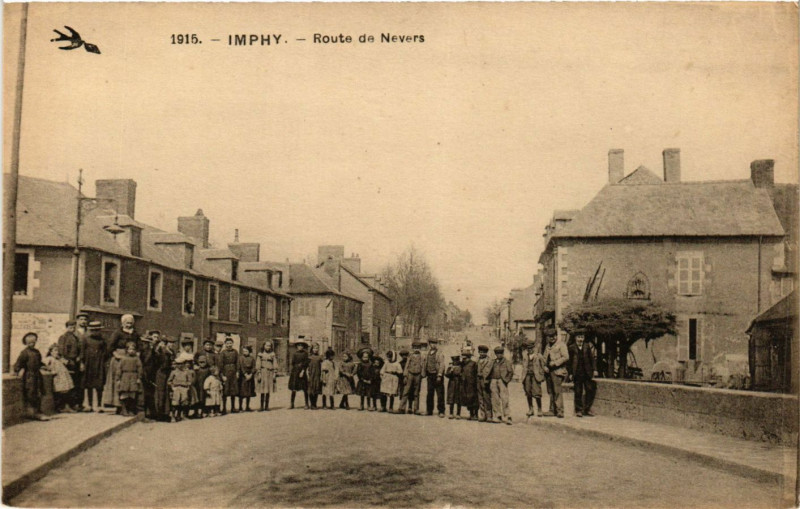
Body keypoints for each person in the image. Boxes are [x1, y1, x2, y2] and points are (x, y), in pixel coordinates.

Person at [14, 333, 48, 421]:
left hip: (37, 375)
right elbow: (19, 363)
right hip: (29, 376)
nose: (32, 344)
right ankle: (32, 413)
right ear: (26, 343)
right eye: (29, 343)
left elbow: (39, 362)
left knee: (39, 393)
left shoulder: (37, 352)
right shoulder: (25, 352)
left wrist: (44, 366)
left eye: (33, 342)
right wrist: (16, 370)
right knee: (31, 393)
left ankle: (38, 412)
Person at [57, 319, 83, 411]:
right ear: (67, 327)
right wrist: (66, 361)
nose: (72, 328)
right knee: (67, 385)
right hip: (68, 363)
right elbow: (61, 351)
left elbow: (79, 350)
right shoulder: (63, 337)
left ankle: (73, 404)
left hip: (74, 363)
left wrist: (79, 358)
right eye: (70, 327)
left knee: (74, 385)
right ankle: (64, 405)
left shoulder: (75, 337)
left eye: (74, 327)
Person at [81, 321, 107, 412]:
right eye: (93, 330)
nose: (95, 332)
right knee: (89, 385)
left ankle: (99, 405)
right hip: (89, 363)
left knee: (99, 385)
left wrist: (103, 359)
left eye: (97, 330)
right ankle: (90, 405)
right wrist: (82, 363)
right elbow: (82, 351)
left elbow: (105, 351)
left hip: (99, 363)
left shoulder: (102, 340)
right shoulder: (85, 339)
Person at [571, 333, 598, 417]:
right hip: (577, 373)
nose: (580, 339)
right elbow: (569, 362)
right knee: (578, 391)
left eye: (582, 337)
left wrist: (595, 370)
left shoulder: (587, 346)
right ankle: (578, 410)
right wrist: (570, 373)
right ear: (575, 338)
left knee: (590, 390)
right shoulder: (571, 347)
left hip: (587, 372)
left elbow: (592, 359)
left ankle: (587, 409)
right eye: (579, 337)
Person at [544, 333, 569, 418]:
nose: (552, 338)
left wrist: (555, 363)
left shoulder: (561, 345)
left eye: (554, 336)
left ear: (556, 336)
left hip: (557, 371)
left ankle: (560, 411)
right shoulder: (547, 346)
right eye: (550, 336)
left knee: (557, 391)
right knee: (550, 391)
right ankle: (552, 410)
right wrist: (544, 366)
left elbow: (566, 357)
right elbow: (545, 358)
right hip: (549, 372)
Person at [44, 344, 75, 413]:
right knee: (60, 392)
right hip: (58, 377)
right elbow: (43, 366)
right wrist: (51, 370)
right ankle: (60, 407)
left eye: (57, 350)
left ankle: (66, 406)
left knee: (67, 391)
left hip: (64, 377)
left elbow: (68, 363)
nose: (57, 352)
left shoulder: (59, 359)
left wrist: (62, 359)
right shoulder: (49, 359)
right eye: (55, 350)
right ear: (51, 352)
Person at [116, 342, 143, 416]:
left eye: (133, 349)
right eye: (130, 349)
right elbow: (119, 369)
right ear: (127, 350)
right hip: (125, 377)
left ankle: (130, 410)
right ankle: (124, 410)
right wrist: (118, 379)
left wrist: (139, 378)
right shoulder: (123, 358)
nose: (131, 351)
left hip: (133, 377)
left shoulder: (136, 359)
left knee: (132, 394)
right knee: (124, 393)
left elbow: (139, 368)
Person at [489, 346, 514, 425]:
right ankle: (497, 415)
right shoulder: (493, 361)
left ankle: (507, 416)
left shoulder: (507, 362)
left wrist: (506, 380)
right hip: (493, 380)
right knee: (495, 398)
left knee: (504, 398)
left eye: (500, 353)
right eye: (497, 353)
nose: (498, 355)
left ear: (503, 353)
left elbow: (510, 372)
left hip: (502, 381)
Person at [153, 335, 176, 421]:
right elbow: (157, 361)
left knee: (168, 393)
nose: (171, 345)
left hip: (169, 373)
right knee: (161, 392)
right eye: (170, 343)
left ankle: (167, 413)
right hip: (161, 373)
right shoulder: (160, 351)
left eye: (173, 343)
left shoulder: (172, 352)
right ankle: (159, 413)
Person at [521, 339, 546, 418]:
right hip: (527, 376)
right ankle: (530, 409)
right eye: (528, 348)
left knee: (537, 393)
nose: (530, 350)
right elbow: (524, 366)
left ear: (534, 348)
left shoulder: (538, 356)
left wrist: (541, 375)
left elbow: (543, 365)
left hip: (536, 376)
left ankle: (539, 409)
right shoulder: (525, 356)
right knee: (528, 392)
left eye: (531, 348)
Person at [422, 339, 446, 417]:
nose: (434, 345)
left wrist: (439, 375)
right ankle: (429, 410)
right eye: (432, 343)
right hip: (430, 376)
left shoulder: (439, 354)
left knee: (440, 394)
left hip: (437, 375)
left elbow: (442, 365)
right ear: (429, 344)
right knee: (430, 394)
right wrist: (424, 373)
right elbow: (424, 363)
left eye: (435, 343)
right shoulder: (427, 353)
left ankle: (441, 411)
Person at [397, 348, 423, 415]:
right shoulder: (410, 356)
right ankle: (401, 408)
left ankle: (416, 409)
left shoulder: (422, 356)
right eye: (414, 347)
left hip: (418, 375)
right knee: (406, 391)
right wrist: (405, 375)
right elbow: (406, 366)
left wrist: (422, 375)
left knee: (416, 392)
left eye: (417, 347)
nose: (416, 349)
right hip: (410, 374)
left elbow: (423, 366)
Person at [140, 331, 159, 420]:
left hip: (150, 374)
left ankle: (150, 413)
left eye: (146, 342)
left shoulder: (152, 352)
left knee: (149, 393)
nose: (144, 344)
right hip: (143, 373)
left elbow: (155, 363)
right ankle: (145, 413)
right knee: (144, 393)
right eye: (143, 342)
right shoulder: (141, 352)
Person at [256, 341, 277, 411]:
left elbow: (275, 364)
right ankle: (261, 406)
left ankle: (266, 406)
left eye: (269, 346)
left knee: (268, 389)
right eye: (266, 345)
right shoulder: (260, 354)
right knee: (262, 389)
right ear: (264, 346)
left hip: (270, 373)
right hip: (262, 372)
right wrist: (259, 373)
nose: (268, 347)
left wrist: (274, 373)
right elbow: (258, 364)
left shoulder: (272, 354)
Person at [220, 337, 239, 414]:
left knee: (233, 390)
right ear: (225, 344)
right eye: (227, 343)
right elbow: (221, 364)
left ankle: (233, 407)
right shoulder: (223, 353)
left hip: (233, 372)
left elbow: (237, 362)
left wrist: (237, 372)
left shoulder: (235, 352)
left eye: (230, 343)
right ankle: (224, 408)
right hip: (226, 371)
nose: (229, 345)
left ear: (232, 344)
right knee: (225, 390)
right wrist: (222, 375)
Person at [288, 341, 310, 409]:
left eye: (301, 345)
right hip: (295, 372)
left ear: (303, 347)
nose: (300, 347)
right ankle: (292, 404)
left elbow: (306, 363)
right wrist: (293, 371)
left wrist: (303, 371)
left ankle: (306, 404)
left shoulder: (305, 354)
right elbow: (293, 363)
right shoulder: (295, 354)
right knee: (293, 388)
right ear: (297, 346)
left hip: (302, 371)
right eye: (299, 345)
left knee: (305, 388)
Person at [459, 347, 479, 420]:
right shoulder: (462, 365)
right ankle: (471, 414)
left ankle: (476, 415)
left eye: (465, 358)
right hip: (465, 384)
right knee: (468, 400)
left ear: (469, 357)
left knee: (474, 400)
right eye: (463, 358)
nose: (464, 360)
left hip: (472, 384)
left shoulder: (473, 364)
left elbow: (476, 373)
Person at [476, 345, 493, 422]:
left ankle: (489, 415)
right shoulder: (477, 360)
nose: (482, 354)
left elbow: (488, 371)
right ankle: (483, 415)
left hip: (485, 380)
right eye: (480, 352)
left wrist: (486, 379)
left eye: (483, 352)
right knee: (480, 398)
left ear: (486, 353)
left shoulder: (489, 361)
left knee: (487, 398)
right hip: (478, 380)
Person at [238, 345, 256, 412]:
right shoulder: (241, 358)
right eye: (243, 351)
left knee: (249, 392)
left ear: (249, 351)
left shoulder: (252, 358)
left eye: (246, 351)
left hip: (250, 376)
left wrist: (251, 374)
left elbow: (254, 367)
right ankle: (240, 407)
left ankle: (247, 406)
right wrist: (245, 374)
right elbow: (241, 367)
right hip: (243, 377)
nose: (244, 352)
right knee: (242, 392)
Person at [193, 354, 211, 418]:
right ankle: (196, 412)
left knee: (204, 399)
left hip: (204, 387)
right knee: (197, 399)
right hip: (197, 386)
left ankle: (204, 411)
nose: (202, 363)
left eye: (204, 361)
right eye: (200, 362)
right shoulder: (196, 370)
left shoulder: (208, 370)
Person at [445, 355, 462, 419]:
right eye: (454, 361)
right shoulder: (450, 366)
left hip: (459, 383)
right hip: (452, 383)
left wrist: (460, 374)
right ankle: (451, 413)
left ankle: (458, 414)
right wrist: (451, 370)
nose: (455, 362)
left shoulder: (461, 366)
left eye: (457, 360)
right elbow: (446, 375)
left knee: (458, 398)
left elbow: (463, 374)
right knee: (451, 398)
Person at [306, 344, 323, 409]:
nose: (315, 350)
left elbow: (322, 366)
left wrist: (321, 375)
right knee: (311, 389)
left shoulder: (320, 357)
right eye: (314, 348)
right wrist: (307, 374)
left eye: (317, 348)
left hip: (317, 375)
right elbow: (307, 367)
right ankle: (311, 404)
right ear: (312, 349)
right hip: (311, 375)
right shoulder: (309, 357)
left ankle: (315, 404)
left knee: (316, 389)